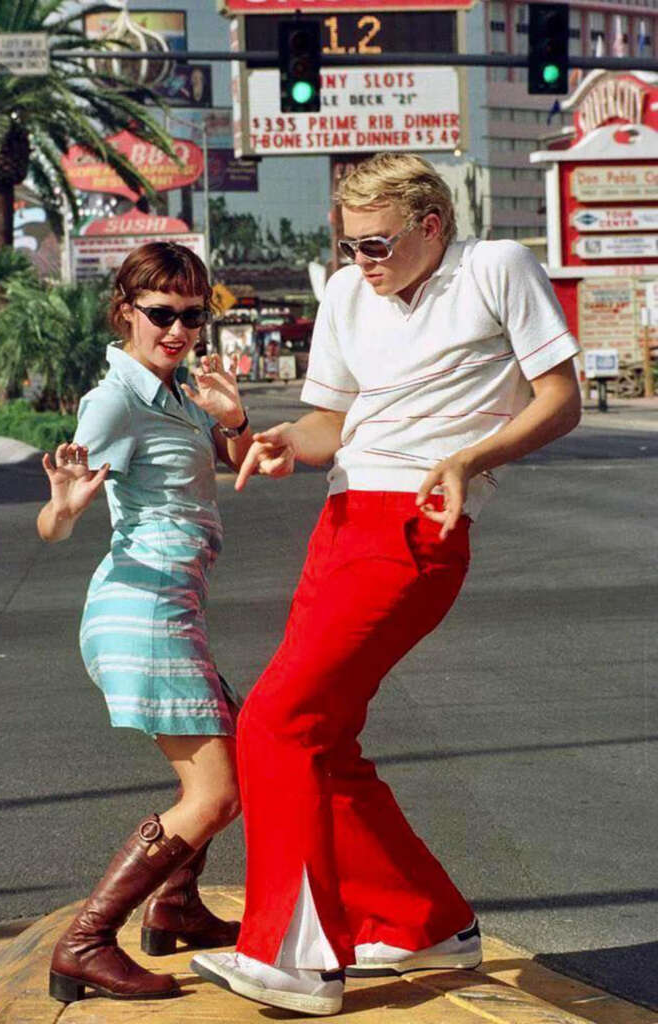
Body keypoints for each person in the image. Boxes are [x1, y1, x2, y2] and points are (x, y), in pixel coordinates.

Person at [190, 152, 582, 1016]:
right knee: (319, 739)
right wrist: (288, 437)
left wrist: (475, 456)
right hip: (339, 521)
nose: (362, 262)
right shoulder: (343, 293)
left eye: (378, 244)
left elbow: (562, 399)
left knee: (277, 722)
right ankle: (420, 922)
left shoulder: (496, 268)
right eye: (350, 245)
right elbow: (334, 421)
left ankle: (292, 960)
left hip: (416, 525)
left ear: (432, 226)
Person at [37, 241, 253, 1003]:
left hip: (169, 608)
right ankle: (86, 943)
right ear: (126, 309)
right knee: (215, 794)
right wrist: (62, 508)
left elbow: (243, 462)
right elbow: (55, 521)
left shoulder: (175, 391)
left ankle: (178, 907)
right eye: (161, 314)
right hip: (143, 609)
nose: (179, 330)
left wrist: (234, 421)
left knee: (245, 748)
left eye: (193, 316)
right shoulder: (116, 399)